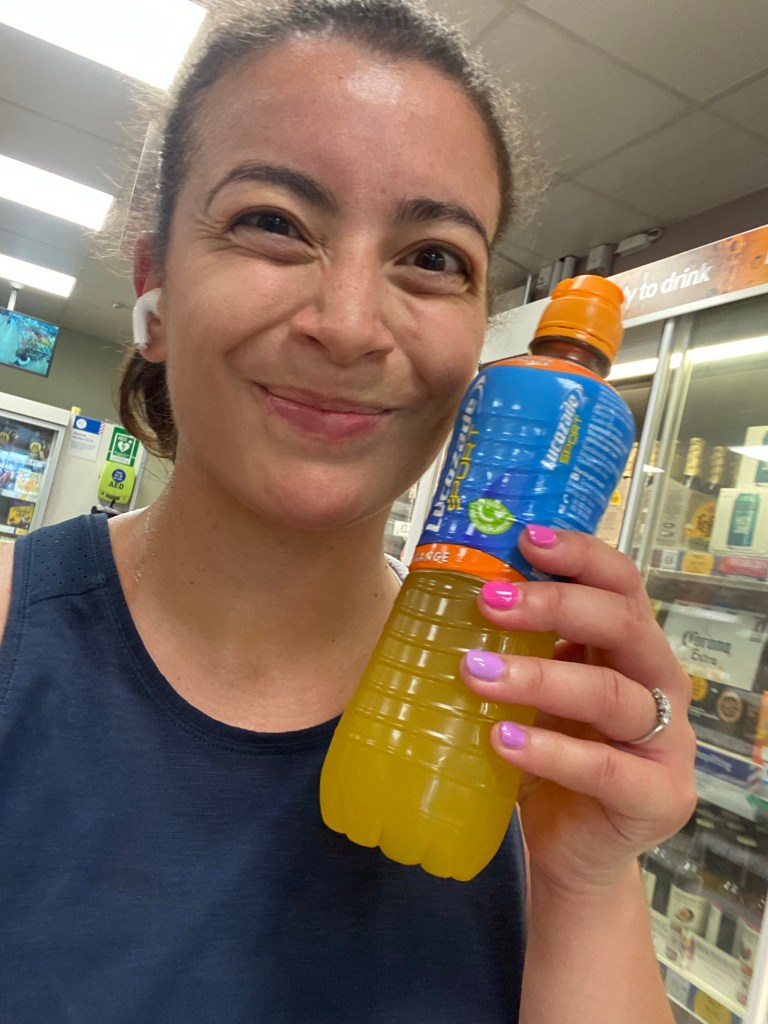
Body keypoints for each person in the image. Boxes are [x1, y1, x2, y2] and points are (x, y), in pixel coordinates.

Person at [0, 1, 696, 1021]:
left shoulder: (522, 734)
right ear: (156, 286)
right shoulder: (19, 636)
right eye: (272, 224)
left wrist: (587, 879)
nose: (350, 326)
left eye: (432, 257)